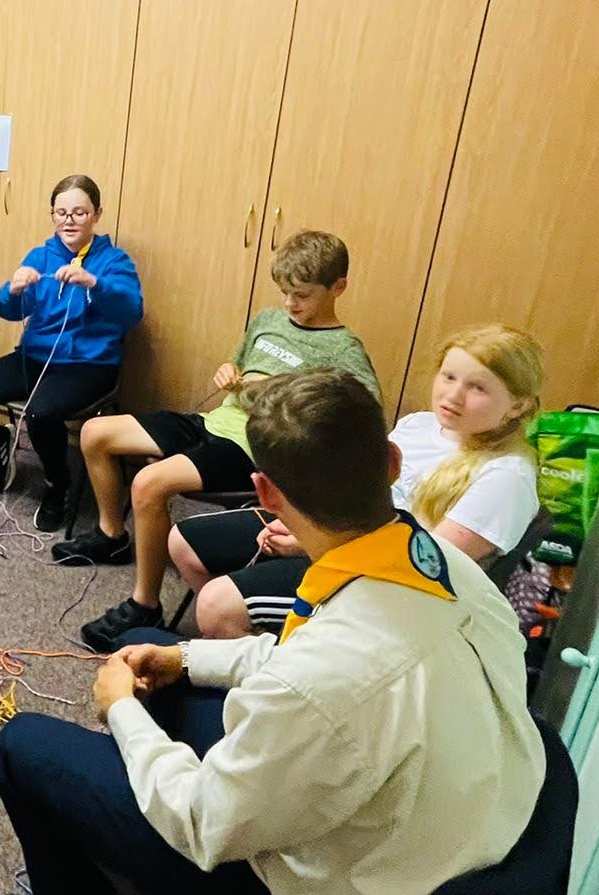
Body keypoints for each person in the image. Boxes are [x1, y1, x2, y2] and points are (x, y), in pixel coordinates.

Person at [0, 369, 545, 895]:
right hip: (452, 815)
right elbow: (313, 653)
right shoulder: (450, 565)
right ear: (393, 463)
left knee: (22, 746)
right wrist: (187, 658)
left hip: (349, 873)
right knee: (149, 648)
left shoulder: (315, 686)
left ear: (266, 493)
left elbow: (202, 822)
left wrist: (121, 712)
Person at [67, 231, 382, 651]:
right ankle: (111, 536)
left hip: (254, 446)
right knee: (95, 433)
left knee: (148, 483)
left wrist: (282, 390)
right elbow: (237, 361)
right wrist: (228, 370)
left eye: (303, 295)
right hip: (213, 421)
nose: (291, 303)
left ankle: (145, 604)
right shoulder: (268, 321)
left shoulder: (344, 350)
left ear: (337, 288)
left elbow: (363, 418)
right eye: (285, 293)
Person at [171, 323, 543, 639]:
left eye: (478, 388)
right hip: (339, 534)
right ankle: (277, 642)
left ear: (518, 405)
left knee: (216, 605)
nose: (454, 395)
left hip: (383, 584)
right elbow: (352, 489)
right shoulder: (419, 425)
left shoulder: (507, 477)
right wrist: (304, 521)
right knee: (184, 543)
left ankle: (291, 669)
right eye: (449, 377)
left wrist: (311, 540)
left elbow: (425, 564)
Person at [0, 175, 142, 526]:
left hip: (89, 365)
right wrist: (12, 290)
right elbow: (8, 310)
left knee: (40, 414)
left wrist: (95, 284)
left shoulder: (114, 261)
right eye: (61, 213)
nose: (69, 221)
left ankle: (57, 484)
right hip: (35, 357)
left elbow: (132, 313)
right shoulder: (40, 257)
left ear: (97, 214)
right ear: (52, 215)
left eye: (79, 213)